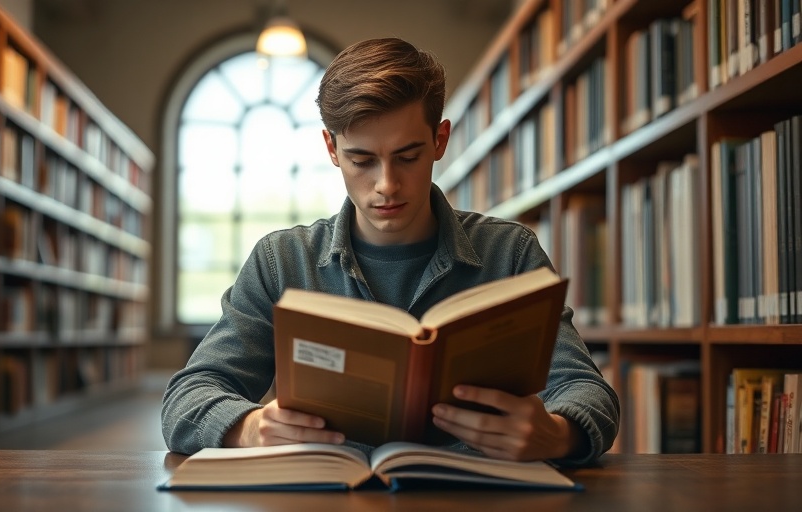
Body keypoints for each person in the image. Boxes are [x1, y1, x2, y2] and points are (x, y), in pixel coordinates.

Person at [162, 37, 619, 465]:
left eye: (407, 156)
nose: (386, 185)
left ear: (439, 141)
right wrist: (249, 427)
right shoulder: (282, 261)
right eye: (362, 160)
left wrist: (557, 433)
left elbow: (584, 388)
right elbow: (188, 396)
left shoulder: (510, 253)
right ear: (332, 148)